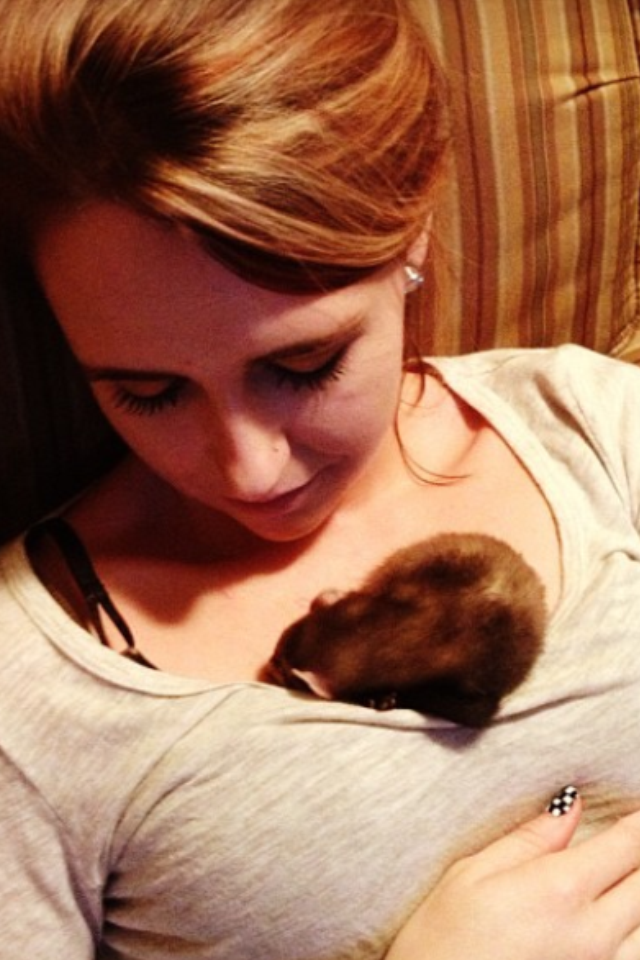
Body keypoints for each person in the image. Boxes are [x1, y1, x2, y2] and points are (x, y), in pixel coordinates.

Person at [0, 0, 640, 957]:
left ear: (412, 235)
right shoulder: (30, 696)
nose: (249, 469)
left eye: (304, 366)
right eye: (147, 392)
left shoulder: (597, 426)